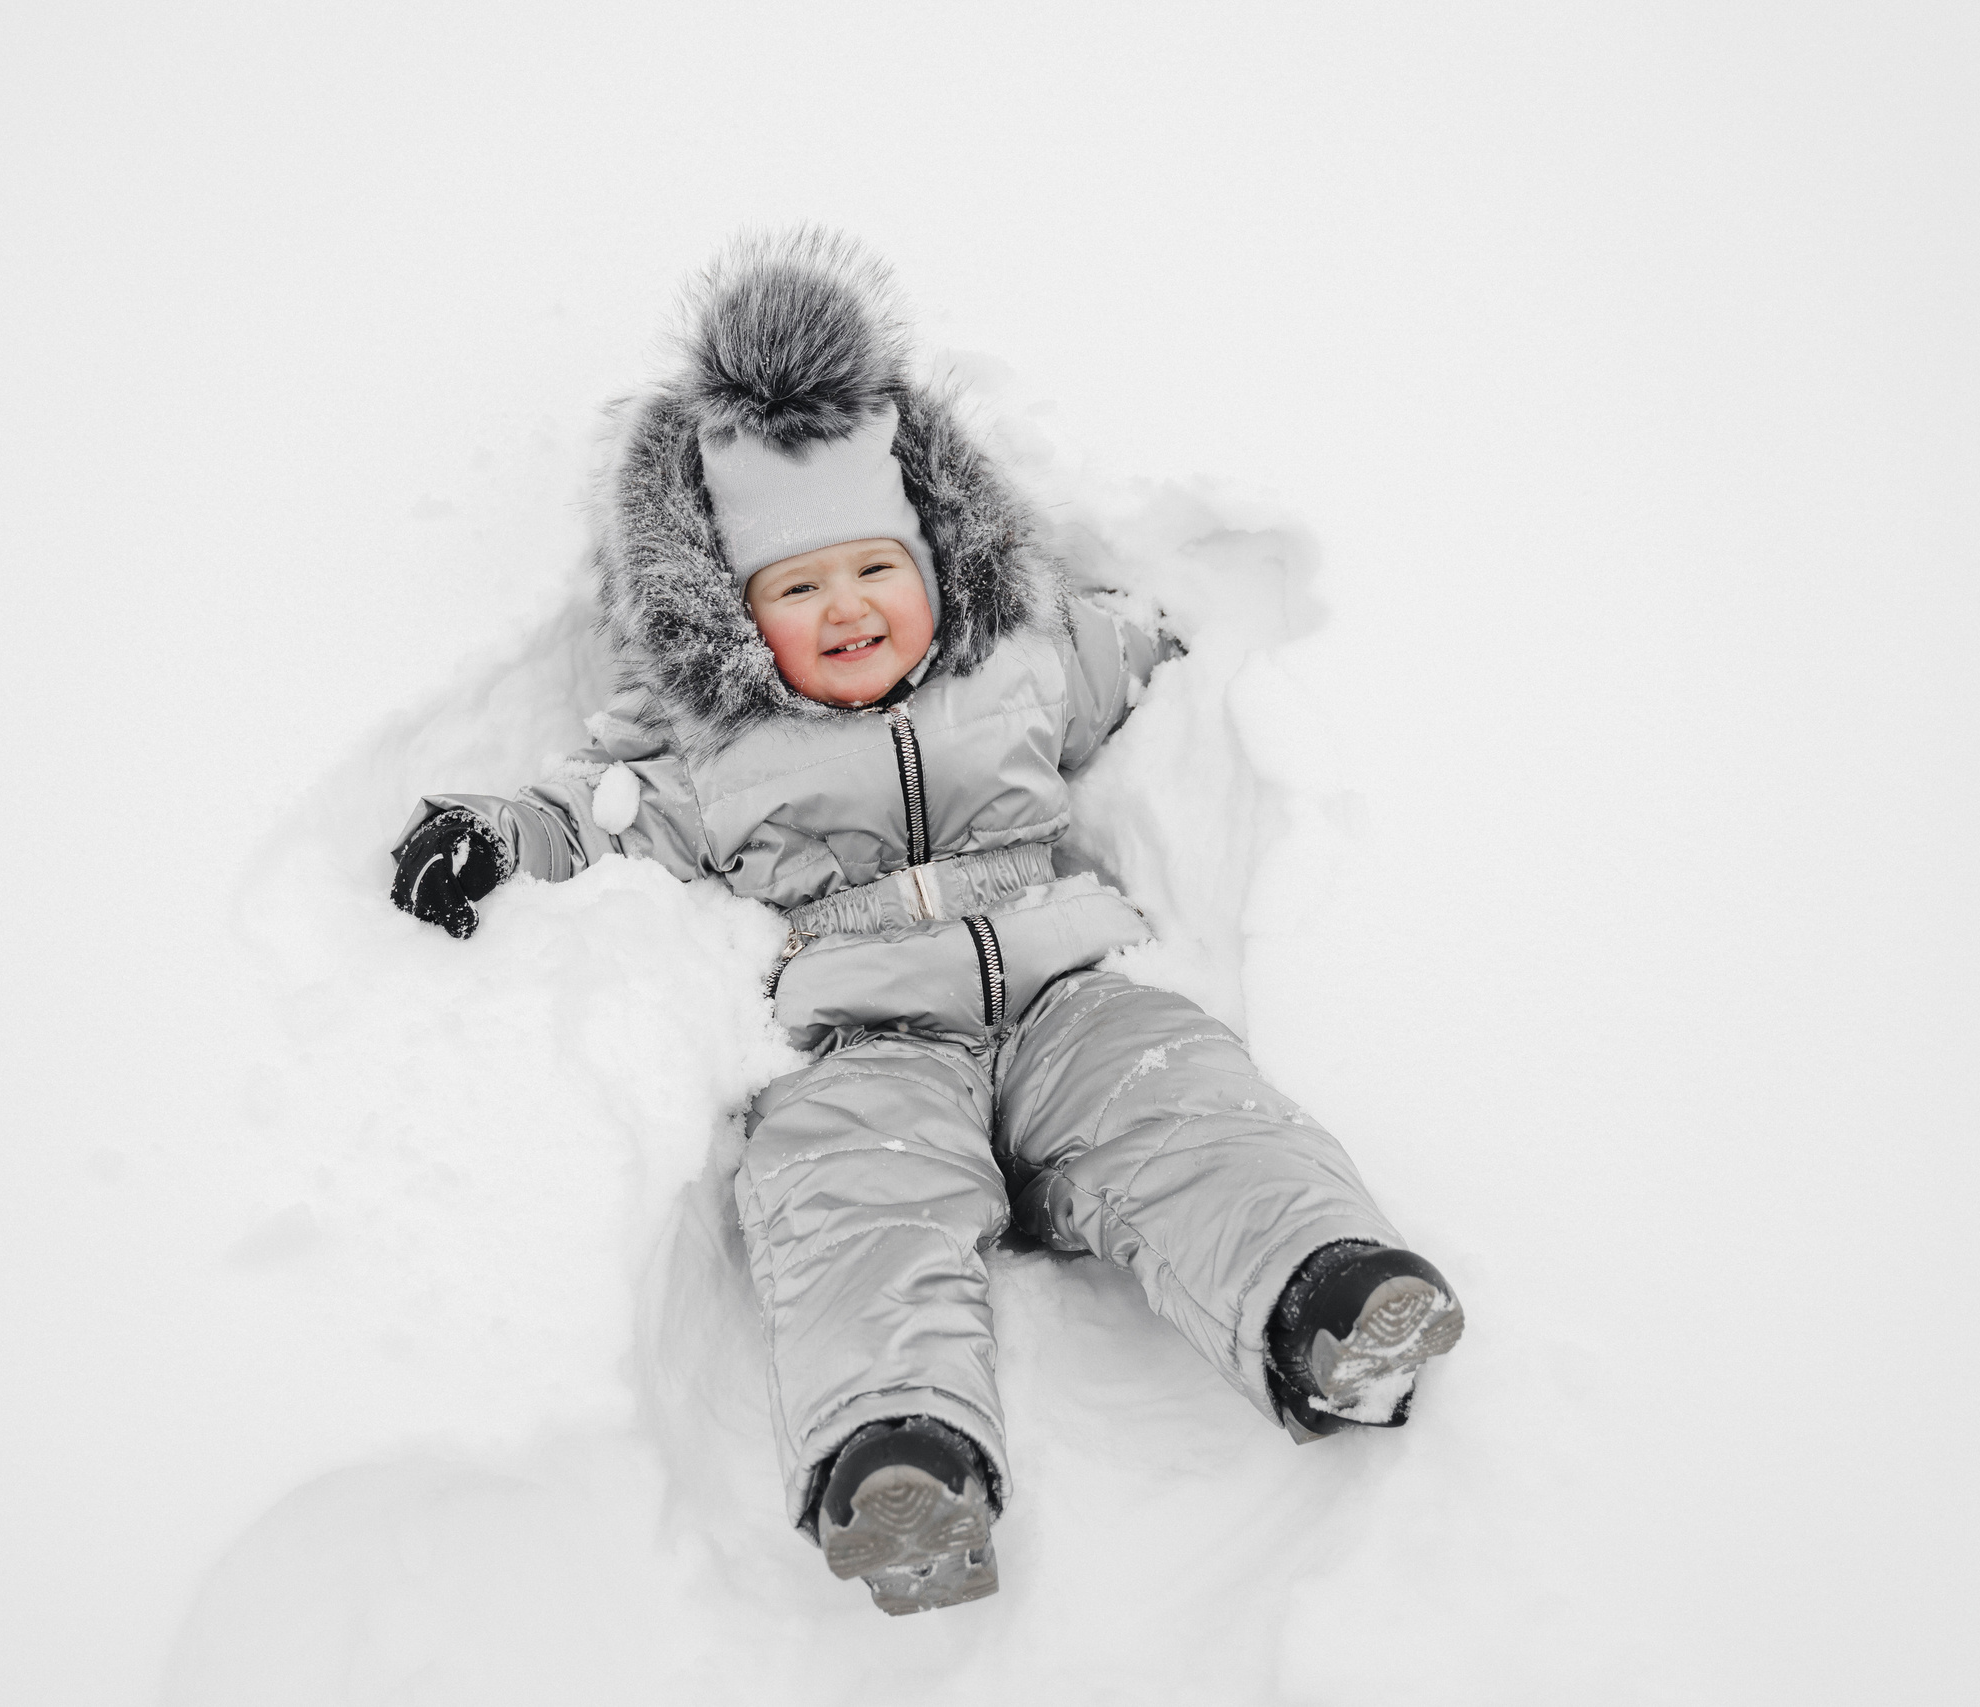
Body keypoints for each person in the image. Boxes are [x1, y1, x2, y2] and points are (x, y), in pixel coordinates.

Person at [389, 230, 1464, 1615]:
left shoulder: (1021, 660)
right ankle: (902, 1457)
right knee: (848, 1200)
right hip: (868, 1040)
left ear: (938, 560)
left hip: (1066, 996)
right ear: (730, 614)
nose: (845, 607)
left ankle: (1320, 1298)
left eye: (872, 569)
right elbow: (597, 813)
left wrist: (1231, 633)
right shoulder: (711, 748)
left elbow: (1145, 641)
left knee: (1183, 1100)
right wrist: (488, 837)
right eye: (794, 587)